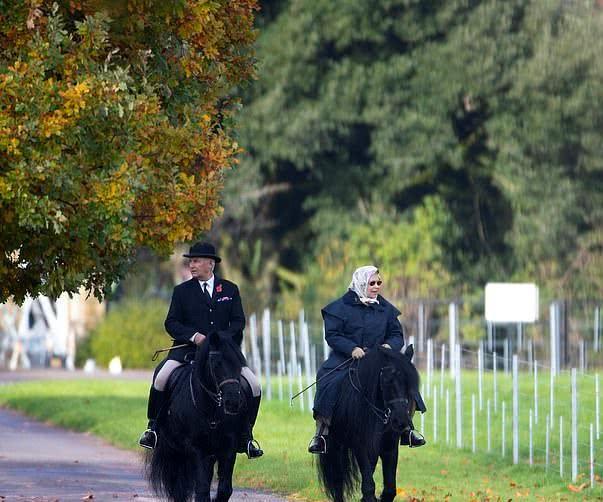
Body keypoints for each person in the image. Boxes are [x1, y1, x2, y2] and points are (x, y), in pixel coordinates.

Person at [138, 241, 263, 459]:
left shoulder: (230, 290)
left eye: (196, 261)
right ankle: (153, 429)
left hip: (223, 355)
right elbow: (172, 323)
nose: (191, 265)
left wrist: (218, 339)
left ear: (210, 264)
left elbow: (238, 322)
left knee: (254, 385)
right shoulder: (181, 291)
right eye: (190, 262)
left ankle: (247, 435)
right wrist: (195, 336)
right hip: (187, 352)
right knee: (161, 378)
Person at [308, 265, 426, 454]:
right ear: (362, 283)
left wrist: (389, 346)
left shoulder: (386, 309)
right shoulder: (340, 307)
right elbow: (332, 335)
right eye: (372, 283)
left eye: (379, 282)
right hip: (347, 359)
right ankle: (322, 432)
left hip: (380, 359)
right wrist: (352, 348)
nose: (377, 286)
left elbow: (397, 335)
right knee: (328, 381)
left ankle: (406, 428)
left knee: (402, 381)